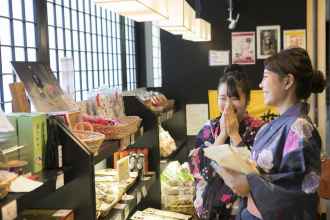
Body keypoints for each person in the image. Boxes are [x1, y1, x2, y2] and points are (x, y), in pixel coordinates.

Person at [217, 48, 326, 220]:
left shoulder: (300, 128)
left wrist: (249, 185)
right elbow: (254, 166)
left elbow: (298, 193)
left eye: (265, 77)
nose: (261, 85)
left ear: (287, 81)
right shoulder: (274, 126)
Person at [188, 64, 264, 220]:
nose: (228, 105)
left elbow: (254, 174)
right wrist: (223, 134)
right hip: (209, 211)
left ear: (247, 100)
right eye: (223, 98)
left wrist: (234, 134)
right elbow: (202, 171)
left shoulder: (260, 130)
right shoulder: (208, 129)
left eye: (235, 98)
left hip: (243, 212)